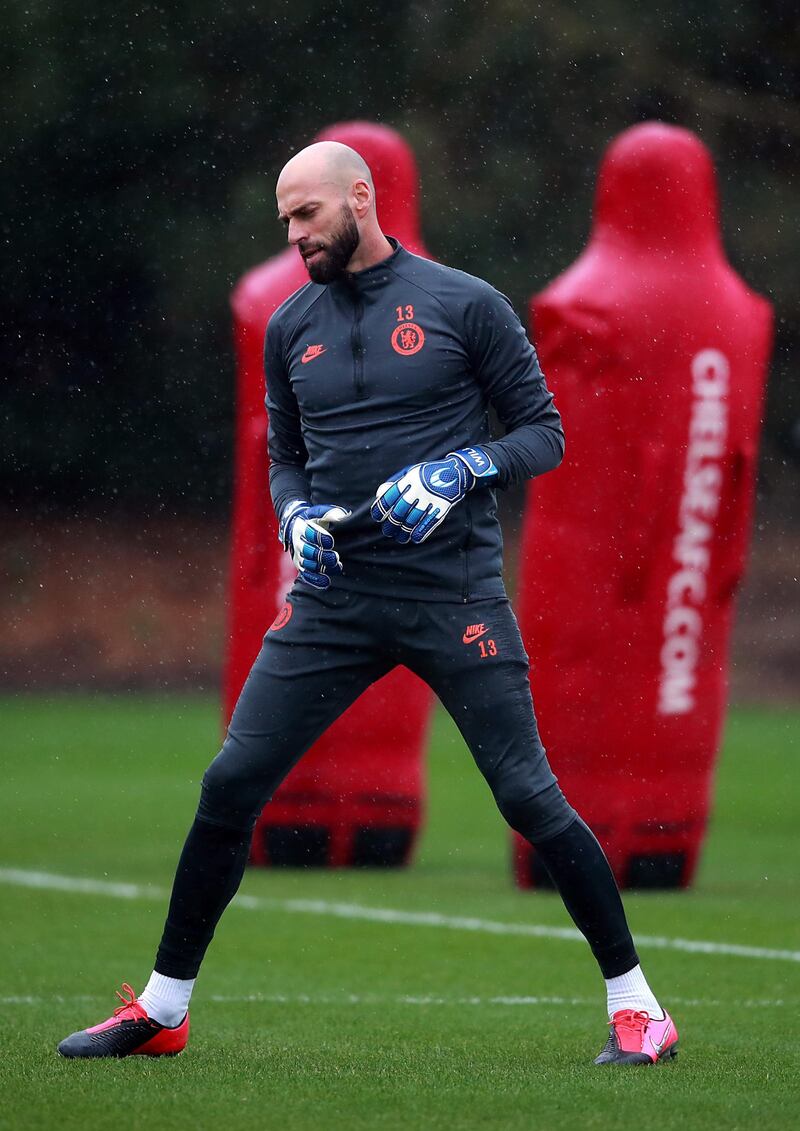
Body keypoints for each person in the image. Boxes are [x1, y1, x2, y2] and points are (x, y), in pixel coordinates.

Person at [58, 141, 679, 1067]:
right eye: (285, 221)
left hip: (451, 594)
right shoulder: (288, 326)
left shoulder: (465, 304)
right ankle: (163, 1008)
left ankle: (640, 1009)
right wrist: (294, 511)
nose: (295, 233)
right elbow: (286, 455)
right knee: (230, 786)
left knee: (527, 795)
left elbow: (543, 433)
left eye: (307, 214)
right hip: (334, 599)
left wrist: (461, 466)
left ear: (360, 197)